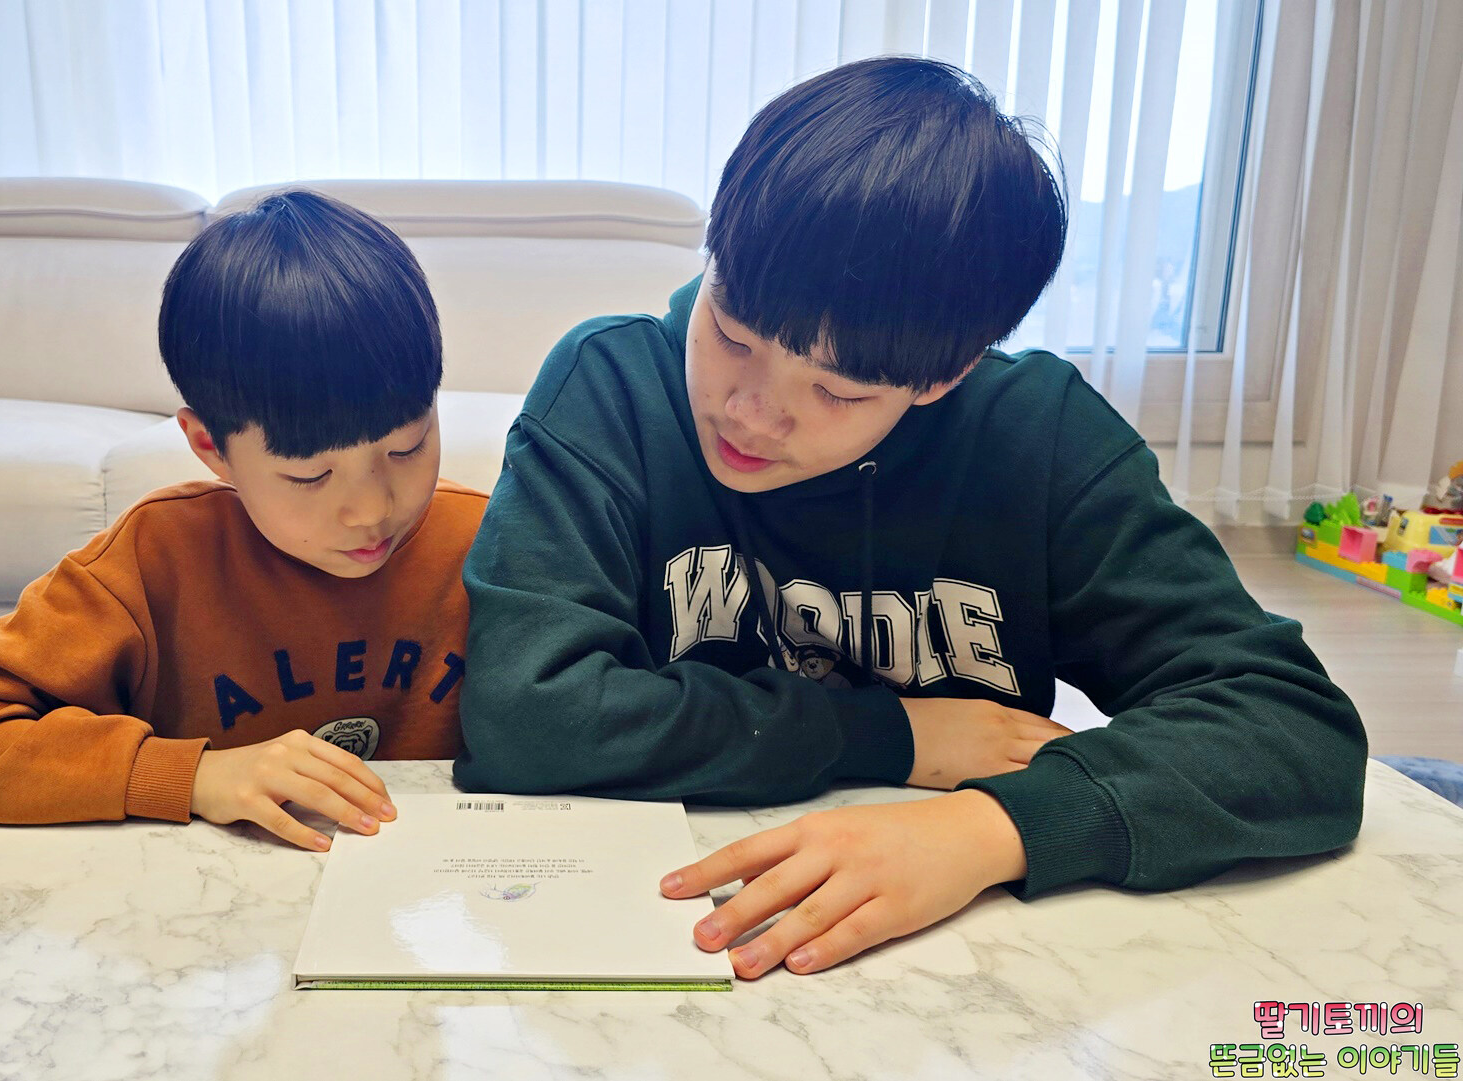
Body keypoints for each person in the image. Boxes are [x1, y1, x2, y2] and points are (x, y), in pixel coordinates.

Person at [455, 57, 1367, 978]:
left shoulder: (1037, 439)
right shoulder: (612, 388)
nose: (750, 414)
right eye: (731, 333)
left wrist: (992, 828)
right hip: (663, 927)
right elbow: (524, 713)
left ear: (945, 375)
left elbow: (1292, 728)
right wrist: (895, 733)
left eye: (836, 391)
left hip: (974, 959)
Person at [0, 190, 486, 851]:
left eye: (407, 448)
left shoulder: (489, 544)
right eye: (309, 476)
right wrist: (191, 775)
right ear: (209, 446)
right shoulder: (156, 559)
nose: (371, 510)